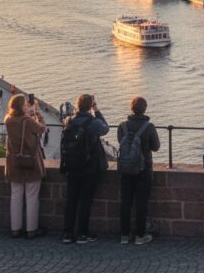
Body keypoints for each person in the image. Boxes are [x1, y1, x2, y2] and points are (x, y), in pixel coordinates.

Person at [61, 93, 109, 244]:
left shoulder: (68, 121)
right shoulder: (93, 122)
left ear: (77, 105)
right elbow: (105, 129)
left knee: (71, 200)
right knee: (85, 201)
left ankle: (67, 233)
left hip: (71, 165)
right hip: (89, 166)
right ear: (90, 106)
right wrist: (97, 111)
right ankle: (82, 234)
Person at [117, 96, 160, 245]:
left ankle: (124, 235)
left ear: (131, 108)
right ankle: (140, 236)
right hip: (143, 169)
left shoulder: (122, 126)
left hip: (125, 169)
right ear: (145, 109)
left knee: (125, 202)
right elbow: (156, 147)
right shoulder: (149, 127)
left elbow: (121, 142)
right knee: (141, 202)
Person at [4, 93, 46, 239]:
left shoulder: (8, 120)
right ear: (23, 106)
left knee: (15, 196)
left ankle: (15, 229)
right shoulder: (27, 121)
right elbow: (42, 129)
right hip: (30, 162)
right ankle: (31, 229)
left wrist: (28, 112)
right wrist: (37, 113)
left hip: (14, 162)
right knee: (32, 196)